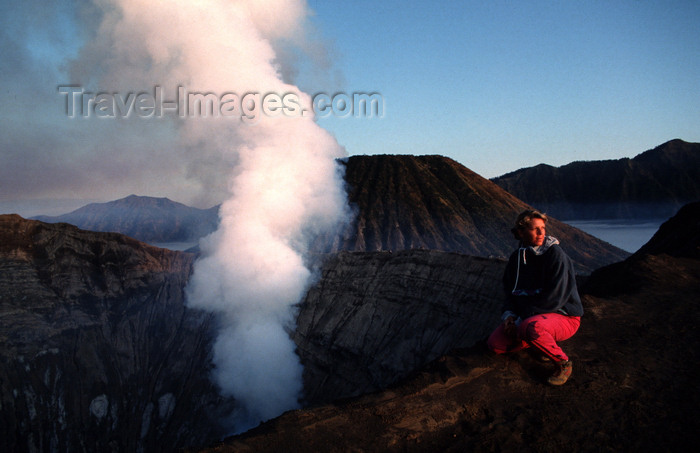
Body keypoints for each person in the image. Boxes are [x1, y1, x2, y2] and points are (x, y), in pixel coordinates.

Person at [487, 209, 583, 385]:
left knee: (530, 328)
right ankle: (538, 343)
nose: (541, 233)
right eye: (534, 229)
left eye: (543, 228)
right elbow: (510, 291)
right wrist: (509, 316)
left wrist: (521, 320)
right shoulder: (517, 258)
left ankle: (563, 363)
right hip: (530, 317)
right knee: (496, 344)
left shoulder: (556, 256)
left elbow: (555, 299)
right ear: (521, 232)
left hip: (564, 316)